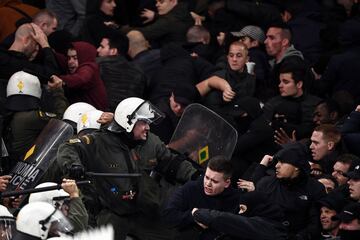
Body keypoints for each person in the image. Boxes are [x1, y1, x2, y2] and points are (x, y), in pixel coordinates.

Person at [57, 97, 199, 240]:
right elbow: (68, 147)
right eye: (143, 122)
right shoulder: (99, 142)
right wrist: (73, 165)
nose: (148, 128)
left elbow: (171, 162)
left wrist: (196, 176)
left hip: (145, 209)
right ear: (128, 123)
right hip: (111, 212)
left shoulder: (151, 142)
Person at [252, 142, 326, 240]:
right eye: (277, 161)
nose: (277, 166)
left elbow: (315, 223)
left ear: (296, 166)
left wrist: (299, 237)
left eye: (282, 162)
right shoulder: (265, 183)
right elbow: (254, 214)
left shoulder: (315, 188)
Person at [162, 156, 240, 239]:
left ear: (227, 183)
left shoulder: (235, 200)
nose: (208, 184)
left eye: (214, 181)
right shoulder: (191, 188)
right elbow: (168, 216)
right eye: (206, 177)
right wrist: (193, 216)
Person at [4, 70, 66, 163]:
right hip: (26, 168)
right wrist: (57, 91)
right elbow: (62, 121)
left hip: (14, 167)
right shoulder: (30, 117)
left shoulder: (8, 116)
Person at [191, 191, 287, 240]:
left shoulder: (264, 227)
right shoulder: (273, 226)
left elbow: (225, 220)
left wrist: (198, 213)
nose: (240, 213)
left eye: (243, 209)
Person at [264, 60, 321, 141]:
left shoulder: (316, 105)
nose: (280, 85)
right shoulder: (272, 104)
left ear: (299, 84)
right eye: (280, 81)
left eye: (285, 82)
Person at [96, 32, 146, 112]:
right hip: (128, 117)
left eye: (102, 47)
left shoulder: (97, 65)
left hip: (102, 116)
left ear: (113, 51)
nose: (98, 50)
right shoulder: (139, 72)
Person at [51, 41, 108, 111]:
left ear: (83, 57)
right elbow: (59, 59)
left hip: (94, 117)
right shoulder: (73, 67)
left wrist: (61, 80)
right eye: (69, 58)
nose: (70, 62)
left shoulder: (89, 67)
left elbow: (82, 78)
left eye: (75, 58)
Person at [129, 0, 193, 47]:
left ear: (173, 1)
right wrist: (156, 16)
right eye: (157, 2)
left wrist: (120, 29)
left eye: (161, 2)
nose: (157, 5)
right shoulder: (183, 10)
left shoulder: (168, 21)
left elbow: (145, 32)